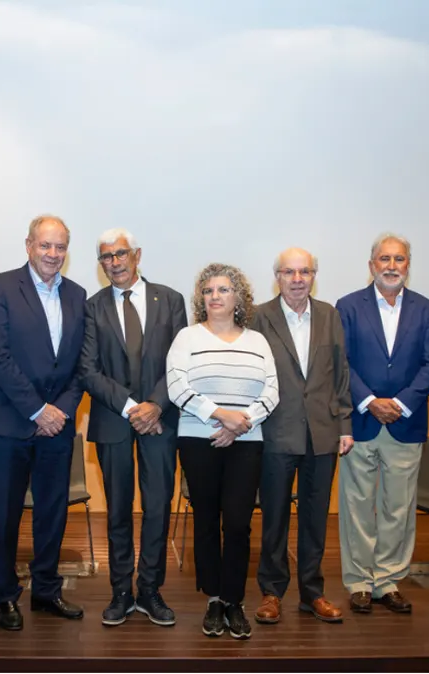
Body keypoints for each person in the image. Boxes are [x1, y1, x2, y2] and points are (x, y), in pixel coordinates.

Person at [0, 215, 87, 631]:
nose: (53, 254)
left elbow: (82, 363)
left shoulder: (78, 295)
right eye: (45, 246)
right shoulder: (1, 286)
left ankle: (46, 590)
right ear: (28, 245)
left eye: (60, 247)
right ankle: (5, 595)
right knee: (4, 514)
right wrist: (37, 410)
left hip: (58, 425)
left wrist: (58, 410)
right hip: (9, 422)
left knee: (52, 513)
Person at [79, 228, 187, 627]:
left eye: (121, 253)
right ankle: (121, 591)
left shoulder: (171, 300)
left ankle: (150, 590)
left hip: (161, 421)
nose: (114, 262)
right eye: (106, 257)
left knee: (157, 507)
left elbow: (180, 362)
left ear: (137, 255)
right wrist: (131, 407)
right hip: (113, 421)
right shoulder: (92, 308)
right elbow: (88, 369)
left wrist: (155, 406)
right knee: (118, 511)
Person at [167, 263, 279, 640]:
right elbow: (177, 387)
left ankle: (235, 601)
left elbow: (272, 393)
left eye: (223, 289)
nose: (215, 296)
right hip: (198, 440)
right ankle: (214, 599)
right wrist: (221, 416)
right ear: (202, 298)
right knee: (205, 521)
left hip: (246, 443)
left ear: (238, 298)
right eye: (209, 290)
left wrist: (241, 422)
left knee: (237, 523)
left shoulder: (257, 341)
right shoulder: (186, 337)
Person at [334, 233, 429, 615]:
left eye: (399, 259)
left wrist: (399, 403)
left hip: (405, 423)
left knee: (399, 507)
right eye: (384, 259)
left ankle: (389, 580)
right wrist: (369, 401)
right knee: (357, 505)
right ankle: (360, 582)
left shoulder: (426, 309)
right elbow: (341, 361)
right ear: (371, 265)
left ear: (408, 265)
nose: (391, 266)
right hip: (361, 421)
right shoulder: (347, 306)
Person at [251, 248, 352, 626]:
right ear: (277, 276)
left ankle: (313, 593)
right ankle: (272, 592)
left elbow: (340, 373)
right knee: (274, 516)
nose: (297, 279)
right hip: (276, 432)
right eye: (289, 272)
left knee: (315, 519)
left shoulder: (329, 315)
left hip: (323, 434)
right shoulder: (260, 316)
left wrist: (345, 426)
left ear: (314, 276)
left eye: (305, 271)